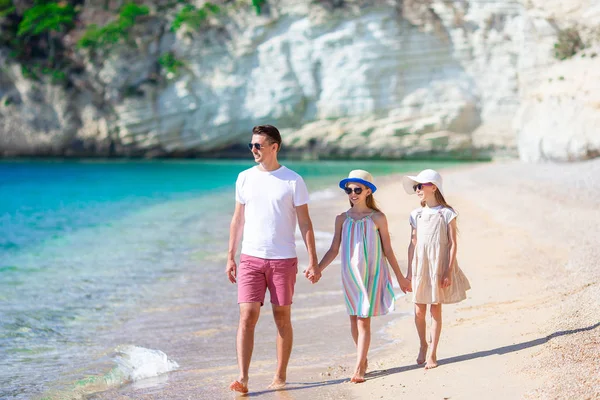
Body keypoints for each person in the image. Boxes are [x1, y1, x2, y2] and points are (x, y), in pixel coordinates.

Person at [226, 125, 320, 393]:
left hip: (283, 260)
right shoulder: (244, 178)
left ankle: (280, 375)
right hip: (250, 258)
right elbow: (237, 219)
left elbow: (305, 222)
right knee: (247, 315)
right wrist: (230, 256)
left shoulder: (293, 180)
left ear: (274, 147)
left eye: (258, 145)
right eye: (251, 146)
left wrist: (313, 260)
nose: (253, 150)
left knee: (282, 317)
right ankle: (243, 378)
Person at [317, 170, 412, 383]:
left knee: (362, 320)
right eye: (349, 189)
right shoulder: (341, 219)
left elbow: (388, 250)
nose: (352, 193)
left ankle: (359, 366)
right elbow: (333, 249)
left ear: (368, 191)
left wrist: (401, 279)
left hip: (371, 273)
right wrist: (318, 268)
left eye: (357, 189)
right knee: (354, 318)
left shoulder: (378, 218)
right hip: (349, 275)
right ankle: (363, 358)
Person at [402, 169, 471, 369]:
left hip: (438, 266)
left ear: (433, 187)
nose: (417, 190)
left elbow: (452, 244)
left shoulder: (446, 213)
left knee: (435, 309)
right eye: (416, 187)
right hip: (420, 265)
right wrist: (408, 273)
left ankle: (432, 352)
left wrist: (448, 271)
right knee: (418, 311)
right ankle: (423, 344)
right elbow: (412, 243)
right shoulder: (416, 214)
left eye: (420, 186)